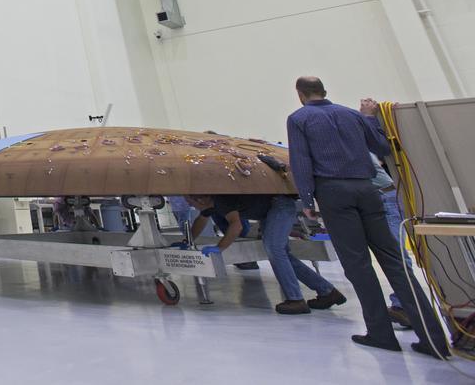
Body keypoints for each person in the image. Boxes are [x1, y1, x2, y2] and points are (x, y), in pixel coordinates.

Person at [287, 77, 450, 358]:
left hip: (333, 193)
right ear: (325, 92)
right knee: (395, 262)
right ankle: (434, 339)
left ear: (300, 95)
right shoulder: (353, 115)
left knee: (358, 265)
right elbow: (382, 147)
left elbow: (301, 160)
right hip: (368, 190)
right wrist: (370, 119)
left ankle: (380, 333)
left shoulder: (299, 119)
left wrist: (307, 200)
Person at [185, 193, 345, 314]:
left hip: (279, 206)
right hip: (271, 210)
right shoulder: (211, 204)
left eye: (191, 202)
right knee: (282, 254)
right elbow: (201, 220)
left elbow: (236, 226)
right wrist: (187, 241)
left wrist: (220, 248)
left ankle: (295, 300)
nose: (190, 205)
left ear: (201, 199)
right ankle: (328, 292)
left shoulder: (220, 200)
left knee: (275, 249)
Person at [361, 98, 413, 330]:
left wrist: (368, 117)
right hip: (380, 197)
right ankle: (405, 305)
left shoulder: (358, 141)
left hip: (385, 197)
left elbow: (380, 148)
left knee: (396, 253)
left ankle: (406, 306)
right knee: (394, 253)